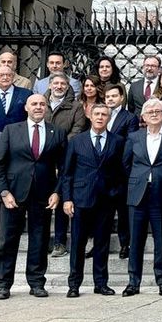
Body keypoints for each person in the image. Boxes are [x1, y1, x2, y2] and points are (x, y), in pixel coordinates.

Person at [0, 94, 67, 299]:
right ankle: (4, 284)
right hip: (14, 194)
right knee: (7, 240)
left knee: (40, 240)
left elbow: (64, 167)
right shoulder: (10, 130)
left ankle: (36, 282)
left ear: (47, 108)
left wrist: (57, 192)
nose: (38, 107)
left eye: (42, 104)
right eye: (34, 104)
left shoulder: (57, 132)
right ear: (26, 107)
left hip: (43, 194)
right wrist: (4, 192)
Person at [59, 104, 125, 297]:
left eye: (104, 114)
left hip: (106, 200)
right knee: (78, 244)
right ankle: (74, 284)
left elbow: (121, 171)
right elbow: (67, 173)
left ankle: (101, 283)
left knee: (102, 243)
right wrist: (67, 198)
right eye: (96, 114)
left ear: (109, 118)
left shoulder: (118, 141)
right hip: (81, 199)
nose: (100, 117)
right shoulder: (77, 141)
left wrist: (115, 192)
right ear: (90, 116)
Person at [122, 98, 162, 297]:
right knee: (135, 240)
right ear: (143, 117)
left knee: (161, 241)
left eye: (158, 111)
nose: (154, 114)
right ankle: (133, 282)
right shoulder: (134, 137)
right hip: (137, 195)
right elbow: (126, 164)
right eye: (150, 112)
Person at [104, 83, 138, 258]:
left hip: (120, 170)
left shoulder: (129, 118)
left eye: (114, 96)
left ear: (122, 98)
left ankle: (125, 244)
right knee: (102, 211)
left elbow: (129, 142)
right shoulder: (100, 114)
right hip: (102, 171)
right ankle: (99, 244)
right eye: (108, 96)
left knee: (123, 210)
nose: (110, 99)